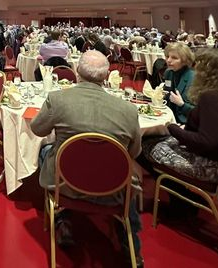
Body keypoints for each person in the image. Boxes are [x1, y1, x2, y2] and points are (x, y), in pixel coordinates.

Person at [31, 51, 143, 266]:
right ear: (106, 75)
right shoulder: (129, 110)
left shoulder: (58, 99)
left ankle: (62, 218)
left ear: (77, 72)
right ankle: (132, 247)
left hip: (65, 183)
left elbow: (37, 130)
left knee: (45, 150)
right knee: (128, 176)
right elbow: (134, 152)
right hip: (113, 186)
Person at [143, 50, 218, 185]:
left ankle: (180, 196)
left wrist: (172, 127)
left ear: (206, 72)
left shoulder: (212, 97)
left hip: (208, 165)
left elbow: (208, 142)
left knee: (143, 143)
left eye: (198, 67)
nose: (194, 70)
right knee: (158, 139)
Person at [162, 42, 196, 124]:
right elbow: (166, 94)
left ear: (185, 61)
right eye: (167, 57)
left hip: (185, 122)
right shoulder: (168, 72)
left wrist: (181, 104)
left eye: (174, 58)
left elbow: (198, 112)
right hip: (168, 117)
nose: (169, 60)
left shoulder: (193, 78)